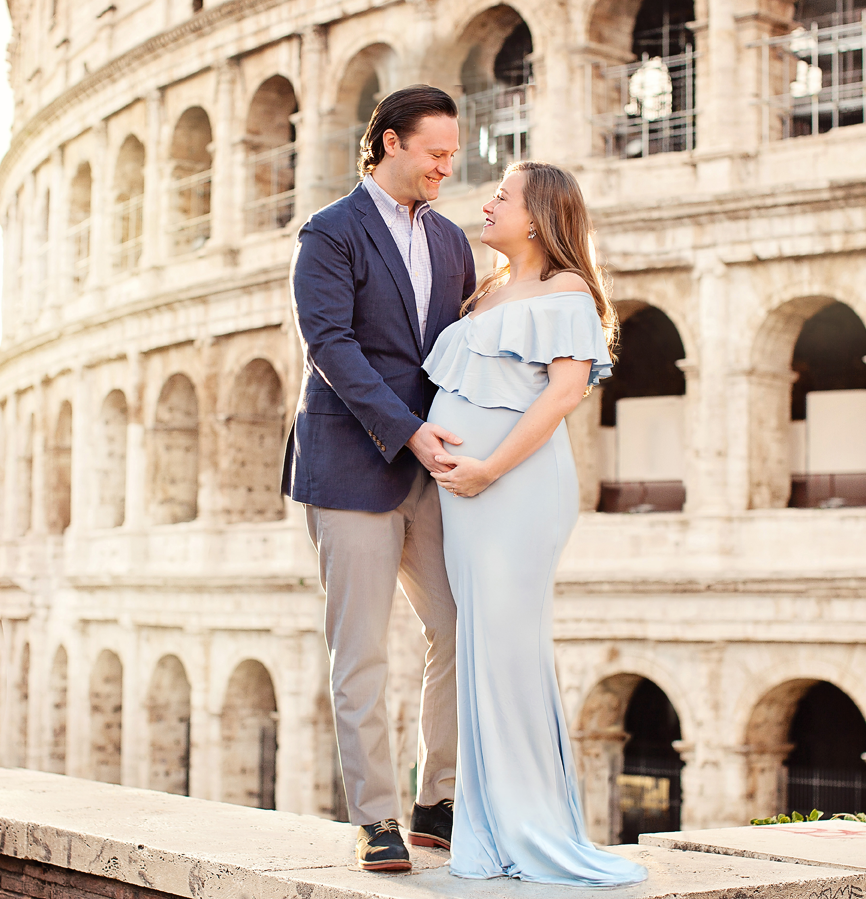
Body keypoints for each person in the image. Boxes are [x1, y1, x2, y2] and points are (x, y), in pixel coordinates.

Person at [421, 161, 648, 886]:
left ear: (541, 213)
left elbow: (562, 396)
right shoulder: (485, 291)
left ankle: (532, 827)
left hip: (516, 490)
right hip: (466, 496)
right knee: (480, 650)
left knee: (510, 650)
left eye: (502, 195)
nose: (486, 203)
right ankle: (485, 828)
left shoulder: (567, 289)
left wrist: (488, 469)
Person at [283, 84, 478, 872]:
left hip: (434, 471)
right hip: (353, 464)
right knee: (360, 647)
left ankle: (438, 800)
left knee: (462, 623)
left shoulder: (455, 241)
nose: (445, 166)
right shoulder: (329, 234)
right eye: (434, 152)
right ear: (389, 142)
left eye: (452, 155)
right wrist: (409, 433)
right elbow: (330, 346)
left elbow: (458, 346)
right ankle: (375, 816)